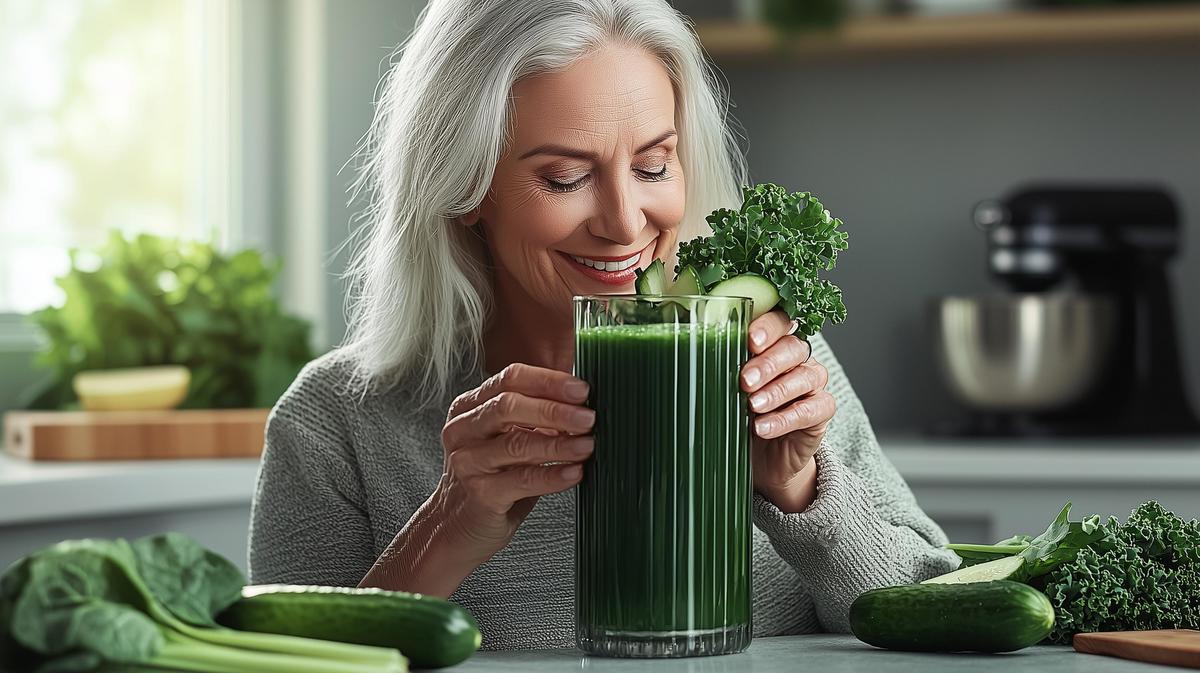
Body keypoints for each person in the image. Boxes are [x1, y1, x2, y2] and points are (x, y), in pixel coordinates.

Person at [248, 0, 958, 650]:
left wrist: (799, 489)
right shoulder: (333, 424)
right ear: (464, 187)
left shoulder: (766, 360)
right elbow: (285, 663)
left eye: (654, 165)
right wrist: (448, 524)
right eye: (564, 178)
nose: (624, 223)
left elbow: (940, 609)